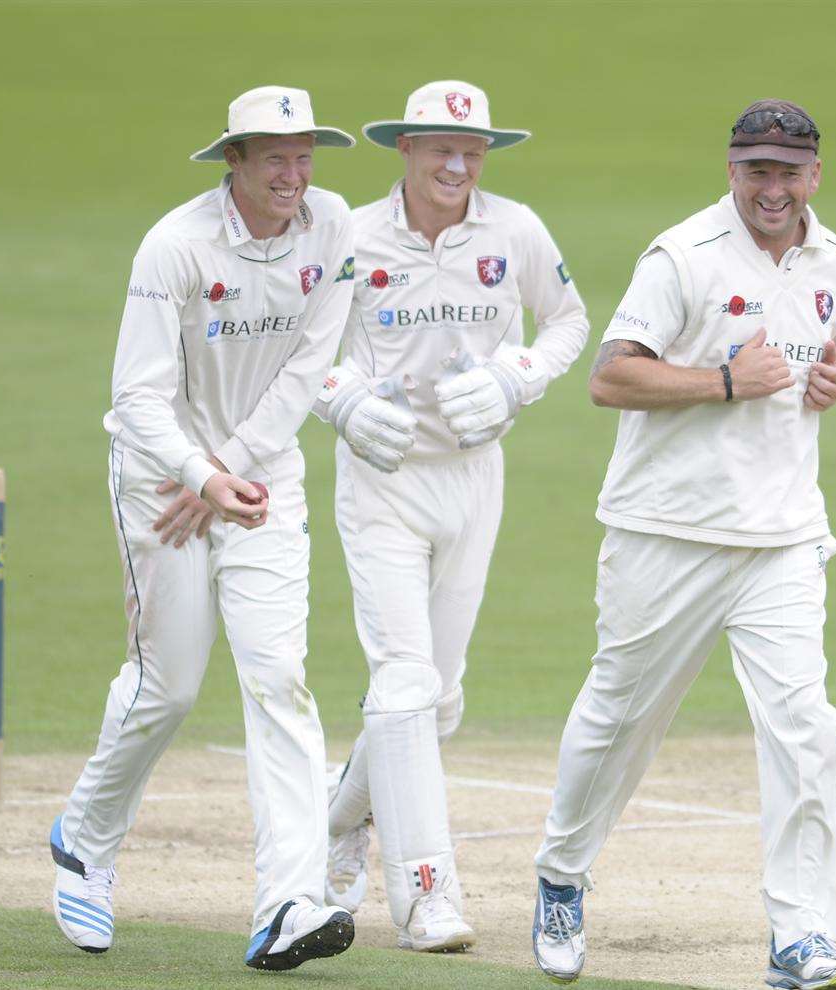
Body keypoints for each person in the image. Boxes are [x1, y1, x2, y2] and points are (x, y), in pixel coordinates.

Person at [530, 99, 836, 989]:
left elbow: (809, 363)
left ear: (814, 176)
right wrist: (722, 379)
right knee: (620, 718)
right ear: (731, 171)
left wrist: (824, 384)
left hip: (782, 536)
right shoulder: (682, 256)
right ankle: (561, 874)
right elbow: (609, 378)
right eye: (756, 170)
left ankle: (801, 934)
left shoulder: (835, 263)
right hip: (665, 532)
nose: (773, 187)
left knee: (803, 729)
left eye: (788, 171)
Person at [48, 85, 361, 972]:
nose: (293, 175)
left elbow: (309, 364)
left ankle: (289, 903)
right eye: (274, 159)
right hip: (160, 480)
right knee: (170, 685)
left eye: (304, 156)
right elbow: (135, 397)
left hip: (261, 480)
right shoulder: (175, 245)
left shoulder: (332, 225)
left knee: (280, 679)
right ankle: (86, 839)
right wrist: (197, 475)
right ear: (234, 159)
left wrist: (229, 472)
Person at [311, 80, 588, 952]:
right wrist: (345, 402)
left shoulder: (515, 231)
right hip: (381, 478)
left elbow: (570, 321)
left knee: (437, 700)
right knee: (402, 682)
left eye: (471, 150)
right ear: (405, 148)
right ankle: (427, 893)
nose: (457, 164)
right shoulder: (348, 235)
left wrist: (519, 379)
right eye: (439, 147)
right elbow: (301, 348)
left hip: (473, 480)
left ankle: (338, 815)